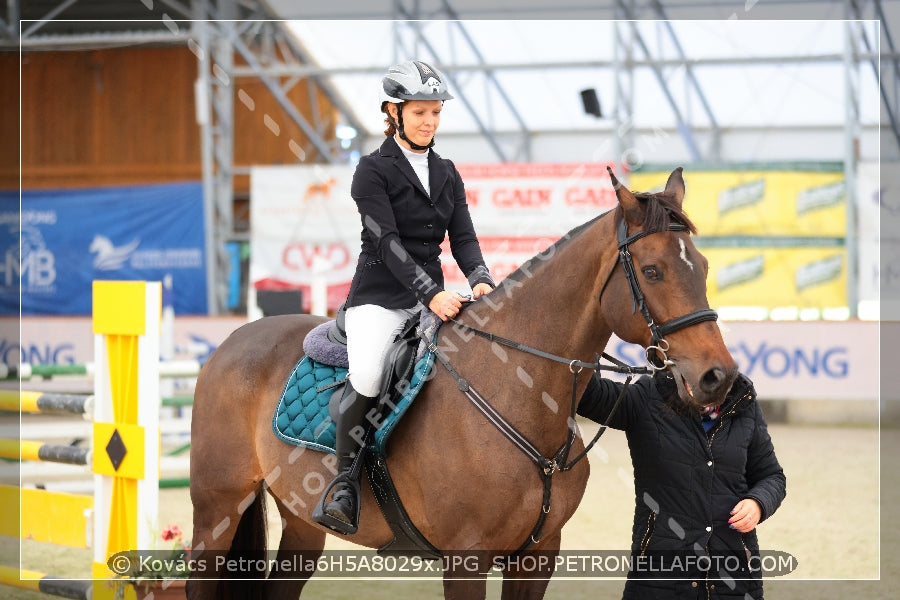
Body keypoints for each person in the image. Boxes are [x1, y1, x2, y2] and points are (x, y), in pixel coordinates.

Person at [313, 60, 495, 535]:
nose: (429, 121)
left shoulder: (447, 171)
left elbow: (464, 238)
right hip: (379, 296)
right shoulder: (371, 172)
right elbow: (387, 243)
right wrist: (431, 294)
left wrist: (479, 279)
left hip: (431, 296)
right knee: (370, 374)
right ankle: (344, 484)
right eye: (419, 112)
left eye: (436, 111)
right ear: (393, 112)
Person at [577, 369, 786, 599]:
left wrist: (758, 503)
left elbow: (772, 476)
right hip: (660, 579)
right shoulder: (647, 396)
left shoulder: (744, 404)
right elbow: (587, 395)